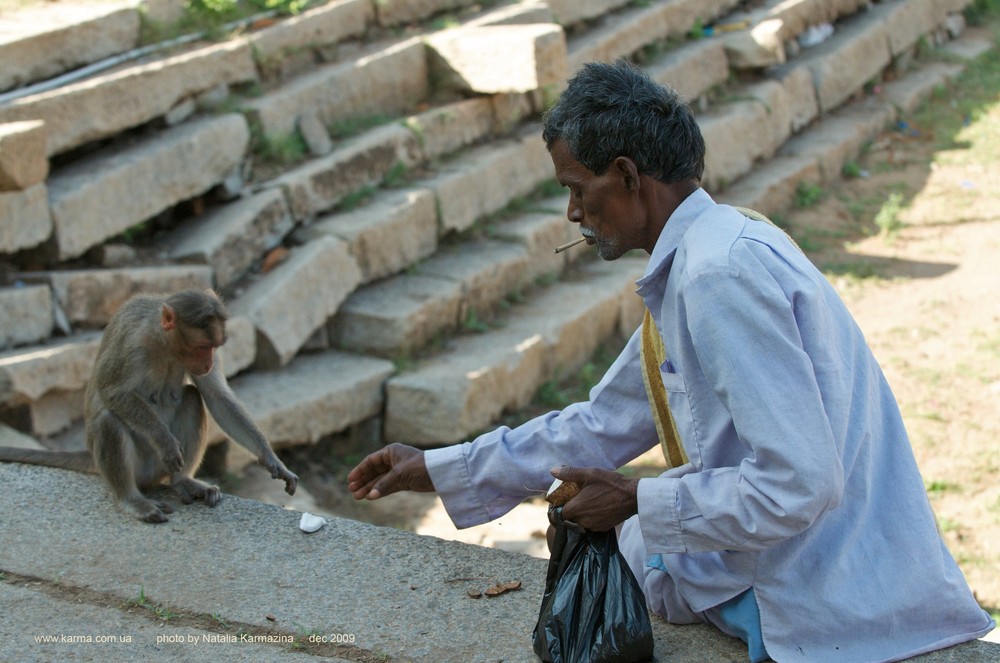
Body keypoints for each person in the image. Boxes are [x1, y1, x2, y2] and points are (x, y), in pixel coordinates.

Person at [347, 59, 994, 662]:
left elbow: (801, 481)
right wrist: (438, 466)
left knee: (634, 550)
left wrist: (635, 498)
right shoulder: (702, 258)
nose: (573, 213)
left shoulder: (719, 277)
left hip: (830, 591)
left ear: (628, 177)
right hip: (809, 560)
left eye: (578, 189)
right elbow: (600, 424)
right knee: (633, 553)